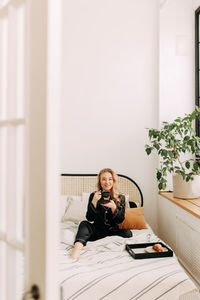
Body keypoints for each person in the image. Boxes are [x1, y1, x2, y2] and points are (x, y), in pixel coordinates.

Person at [70, 168, 132, 259]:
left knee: (128, 233)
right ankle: (76, 251)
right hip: (97, 231)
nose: (107, 182)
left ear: (113, 181)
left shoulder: (120, 197)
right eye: (104, 179)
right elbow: (89, 218)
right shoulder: (93, 195)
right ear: (100, 181)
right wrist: (94, 201)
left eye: (110, 179)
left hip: (112, 231)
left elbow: (120, 220)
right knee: (84, 224)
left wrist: (114, 208)